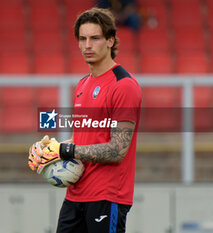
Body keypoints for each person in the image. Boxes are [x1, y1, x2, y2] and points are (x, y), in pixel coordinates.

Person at [28, 8, 142, 233]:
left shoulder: (124, 86)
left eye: (95, 38)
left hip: (108, 198)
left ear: (110, 41)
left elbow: (117, 150)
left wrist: (66, 151)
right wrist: (49, 150)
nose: (87, 45)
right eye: (82, 39)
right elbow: (86, 136)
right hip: (75, 196)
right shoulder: (82, 84)